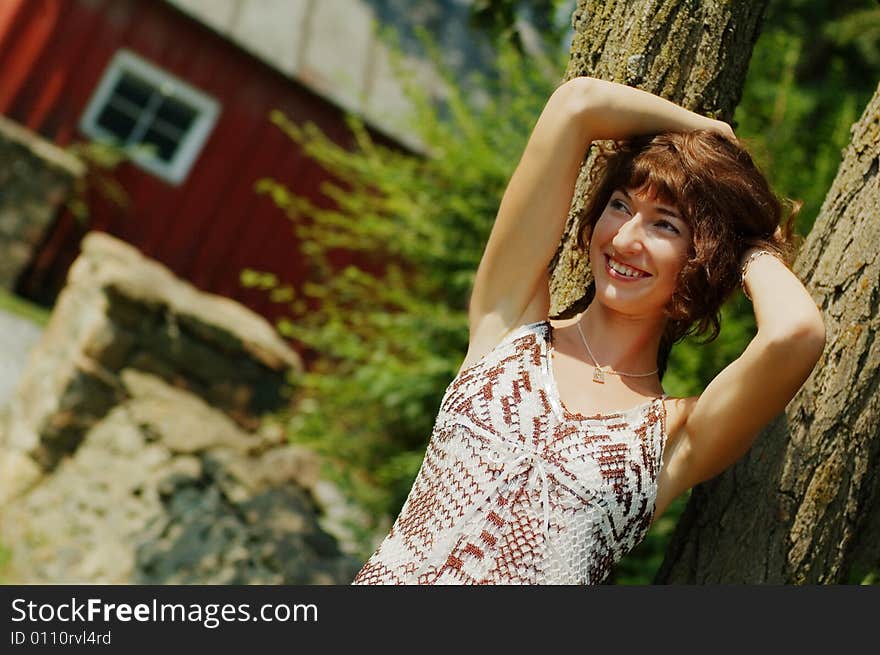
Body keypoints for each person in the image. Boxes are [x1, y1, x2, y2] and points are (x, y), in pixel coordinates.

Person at [351, 76, 826, 585]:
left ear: (702, 259)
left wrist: (748, 244)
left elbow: (796, 333)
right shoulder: (506, 325)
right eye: (620, 206)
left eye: (664, 225)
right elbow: (578, 105)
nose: (624, 238)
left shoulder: (672, 437)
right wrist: (709, 131)